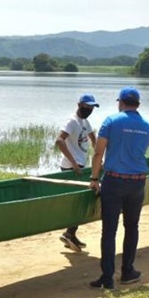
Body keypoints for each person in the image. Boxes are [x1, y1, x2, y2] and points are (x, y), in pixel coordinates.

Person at [88, 87, 149, 290]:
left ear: (121, 102)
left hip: (114, 181)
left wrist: (94, 178)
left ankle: (107, 277)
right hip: (138, 181)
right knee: (132, 227)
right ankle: (128, 272)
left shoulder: (111, 121)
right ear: (138, 105)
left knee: (109, 231)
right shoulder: (148, 127)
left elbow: (99, 153)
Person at [54, 93, 99, 252]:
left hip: (82, 166)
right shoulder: (72, 121)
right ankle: (69, 233)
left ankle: (70, 233)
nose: (89, 110)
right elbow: (59, 140)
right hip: (71, 167)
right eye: (87, 107)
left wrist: (98, 152)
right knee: (79, 202)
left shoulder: (85, 122)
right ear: (79, 104)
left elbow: (93, 138)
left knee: (80, 201)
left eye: (92, 107)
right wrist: (73, 163)